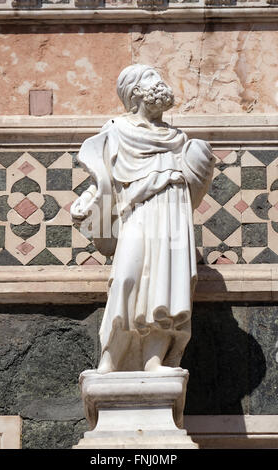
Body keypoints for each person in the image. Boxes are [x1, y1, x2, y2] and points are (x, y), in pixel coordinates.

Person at [71, 64, 214, 374]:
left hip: (173, 213)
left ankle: (153, 361)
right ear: (133, 90)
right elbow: (102, 179)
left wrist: (199, 161)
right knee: (126, 279)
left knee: (167, 285)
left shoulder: (177, 138)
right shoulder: (117, 130)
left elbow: (194, 184)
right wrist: (88, 205)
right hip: (137, 211)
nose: (160, 82)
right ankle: (110, 360)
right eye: (151, 77)